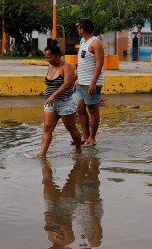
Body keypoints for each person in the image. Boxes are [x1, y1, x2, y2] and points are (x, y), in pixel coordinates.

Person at [36, 40, 82, 157]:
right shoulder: (50, 66)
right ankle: (42, 153)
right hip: (51, 103)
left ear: (58, 55)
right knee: (47, 128)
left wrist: (54, 95)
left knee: (71, 128)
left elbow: (68, 84)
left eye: (50, 57)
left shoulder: (66, 66)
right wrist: (50, 97)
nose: (49, 60)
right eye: (46, 58)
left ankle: (78, 149)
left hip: (65, 102)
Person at [75, 19, 105, 147]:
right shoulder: (83, 42)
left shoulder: (96, 43)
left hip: (91, 82)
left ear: (82, 29)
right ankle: (85, 135)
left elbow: (99, 64)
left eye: (79, 28)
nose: (78, 30)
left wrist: (93, 83)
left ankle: (92, 138)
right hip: (81, 82)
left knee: (93, 110)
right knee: (80, 109)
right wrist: (76, 80)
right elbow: (81, 64)